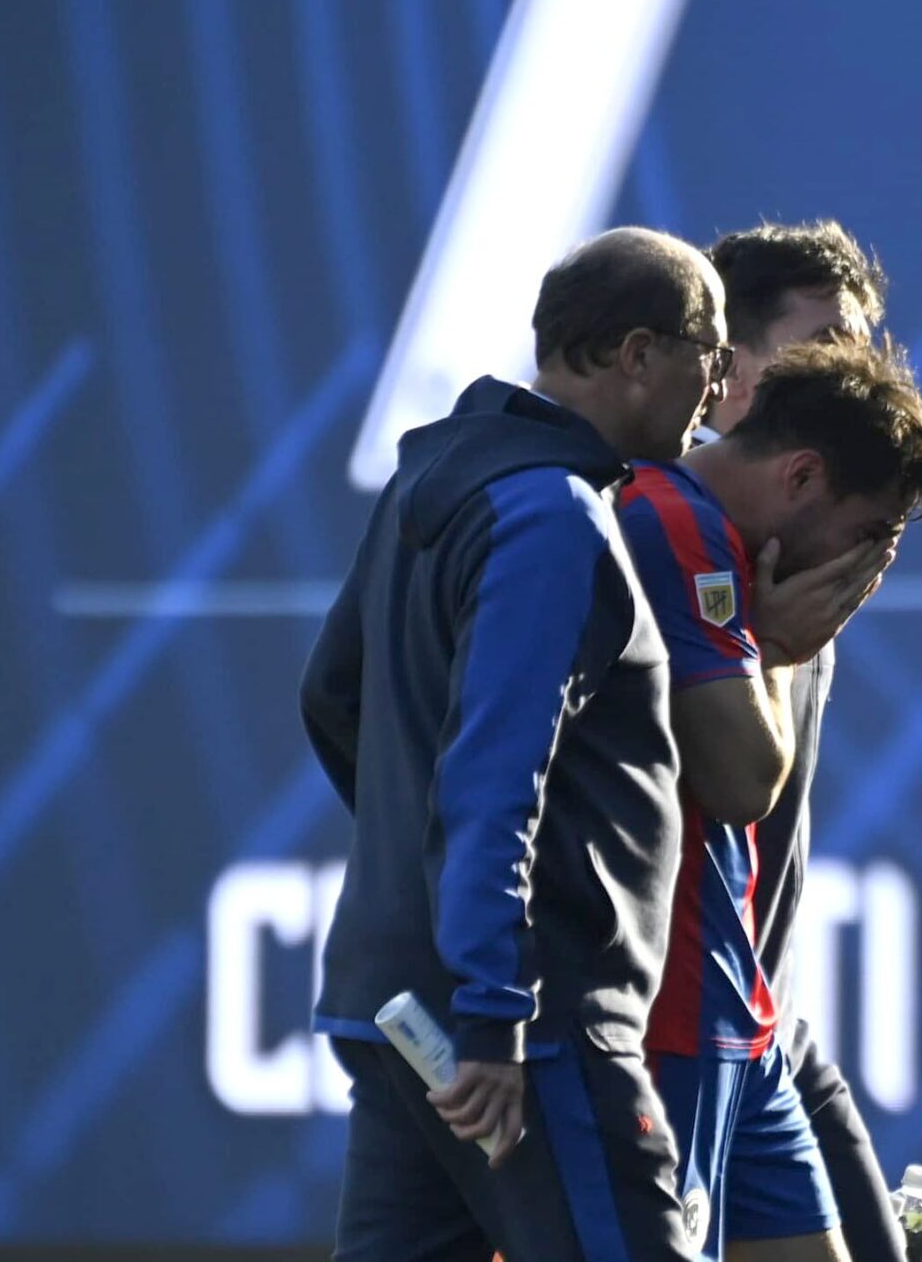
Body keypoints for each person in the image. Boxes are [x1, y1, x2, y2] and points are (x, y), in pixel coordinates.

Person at [301, 227, 731, 1262]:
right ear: (635, 354)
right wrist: (493, 1004)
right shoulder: (553, 516)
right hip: (524, 1029)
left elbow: (331, 695)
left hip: (394, 1002)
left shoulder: (437, 478)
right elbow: (499, 776)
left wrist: (424, 879)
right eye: (707, 355)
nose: (715, 392)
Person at [623, 336, 922, 1260]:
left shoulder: (725, 544)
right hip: (671, 1010)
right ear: (804, 476)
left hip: (741, 1017)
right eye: (871, 537)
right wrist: (776, 653)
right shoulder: (671, 523)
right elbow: (742, 785)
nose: (870, 573)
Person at [707, 223, 922, 1262]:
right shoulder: (639, 538)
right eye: (822, 344)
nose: (853, 372)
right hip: (663, 1032)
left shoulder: (814, 542)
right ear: (725, 368)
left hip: (766, 1018)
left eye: (863, 346)